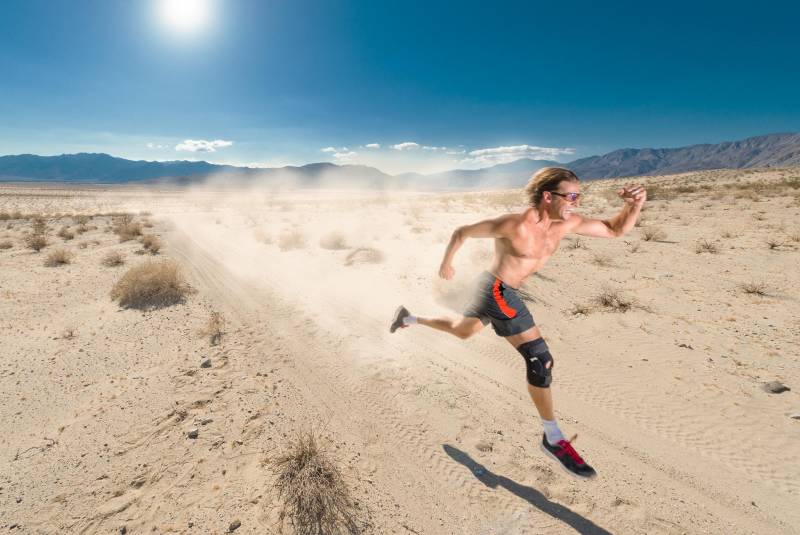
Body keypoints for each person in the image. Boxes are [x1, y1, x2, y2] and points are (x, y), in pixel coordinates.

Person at [390, 167, 646, 480]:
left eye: (580, 196)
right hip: (497, 290)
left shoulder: (567, 223)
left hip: (493, 290)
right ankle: (553, 438)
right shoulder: (515, 225)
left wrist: (633, 207)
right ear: (548, 196)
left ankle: (408, 317)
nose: (577, 203)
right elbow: (462, 232)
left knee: (463, 331)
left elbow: (614, 230)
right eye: (572, 196)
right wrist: (447, 263)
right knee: (541, 359)